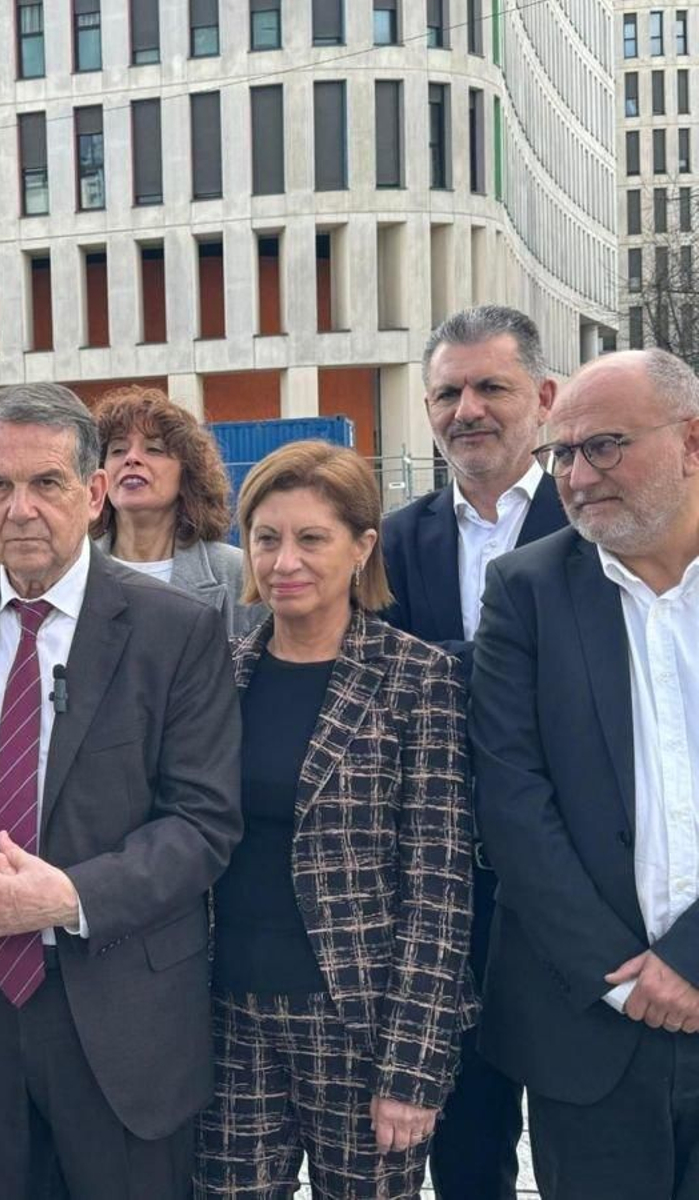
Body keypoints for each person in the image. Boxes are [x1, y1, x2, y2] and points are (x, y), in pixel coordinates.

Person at [0, 383, 242, 1199]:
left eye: (45, 484)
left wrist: (68, 895)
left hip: (118, 1009)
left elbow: (203, 823)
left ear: (92, 494)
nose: (21, 509)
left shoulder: (173, 630)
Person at [195, 440, 476, 1199]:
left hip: (361, 1024)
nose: (284, 560)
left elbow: (439, 887)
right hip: (229, 1017)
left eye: (311, 538)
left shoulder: (420, 679)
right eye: (265, 537)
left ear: (361, 547)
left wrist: (414, 1067)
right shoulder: (219, 674)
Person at [472, 348, 699, 1199]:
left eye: (602, 446)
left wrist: (691, 958)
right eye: (559, 453)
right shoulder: (524, 590)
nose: (574, 475)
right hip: (591, 1027)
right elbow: (511, 801)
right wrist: (625, 975)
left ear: (692, 441)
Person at [380, 304, 566, 1200]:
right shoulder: (395, 539)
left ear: (544, 398)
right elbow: (381, 683)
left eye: (491, 386)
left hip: (576, 881)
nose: (468, 410)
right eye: (448, 392)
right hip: (450, 891)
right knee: (466, 1154)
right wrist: (515, 662)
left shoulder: (595, 519)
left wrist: (444, 665)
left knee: (584, 1141)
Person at [90, 384, 261, 635]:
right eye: (118, 450)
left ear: (187, 474)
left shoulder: (238, 573)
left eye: (154, 449)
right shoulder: (71, 569)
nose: (132, 458)